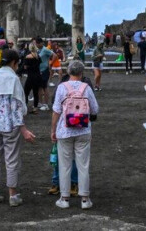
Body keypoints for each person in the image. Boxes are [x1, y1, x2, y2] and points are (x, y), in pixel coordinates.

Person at [0, 49, 37, 207]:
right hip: (9, 124)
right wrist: (23, 129)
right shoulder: (13, 79)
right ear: (14, 63)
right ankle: (13, 195)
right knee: (11, 159)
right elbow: (17, 106)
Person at [51, 60, 99, 210]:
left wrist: (53, 130)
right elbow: (95, 110)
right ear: (81, 72)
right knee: (83, 165)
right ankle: (85, 198)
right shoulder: (87, 88)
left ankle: (64, 198)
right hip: (83, 130)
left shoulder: (61, 88)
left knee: (64, 165)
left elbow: (56, 111)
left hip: (65, 130)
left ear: (69, 72)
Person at [22, 43, 42, 113]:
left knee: (26, 92)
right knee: (35, 93)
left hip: (30, 76)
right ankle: (35, 108)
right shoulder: (38, 56)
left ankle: (25, 106)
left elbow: (25, 67)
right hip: (37, 76)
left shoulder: (28, 56)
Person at [35, 37, 53, 111]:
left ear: (41, 43)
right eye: (36, 43)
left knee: (44, 87)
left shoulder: (45, 49)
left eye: (38, 43)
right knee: (39, 87)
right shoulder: (38, 50)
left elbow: (54, 55)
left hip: (45, 70)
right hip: (39, 70)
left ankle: (46, 104)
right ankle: (40, 102)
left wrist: (50, 64)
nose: (37, 45)